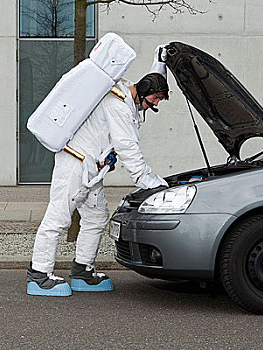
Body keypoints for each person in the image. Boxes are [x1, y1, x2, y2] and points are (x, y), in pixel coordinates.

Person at [27, 67, 171, 297]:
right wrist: (149, 181)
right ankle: (39, 275)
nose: (154, 105)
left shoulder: (123, 102)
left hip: (91, 168)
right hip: (75, 164)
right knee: (58, 217)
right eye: (155, 99)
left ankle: (83, 270)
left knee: (96, 215)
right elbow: (127, 148)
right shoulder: (118, 105)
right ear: (144, 91)